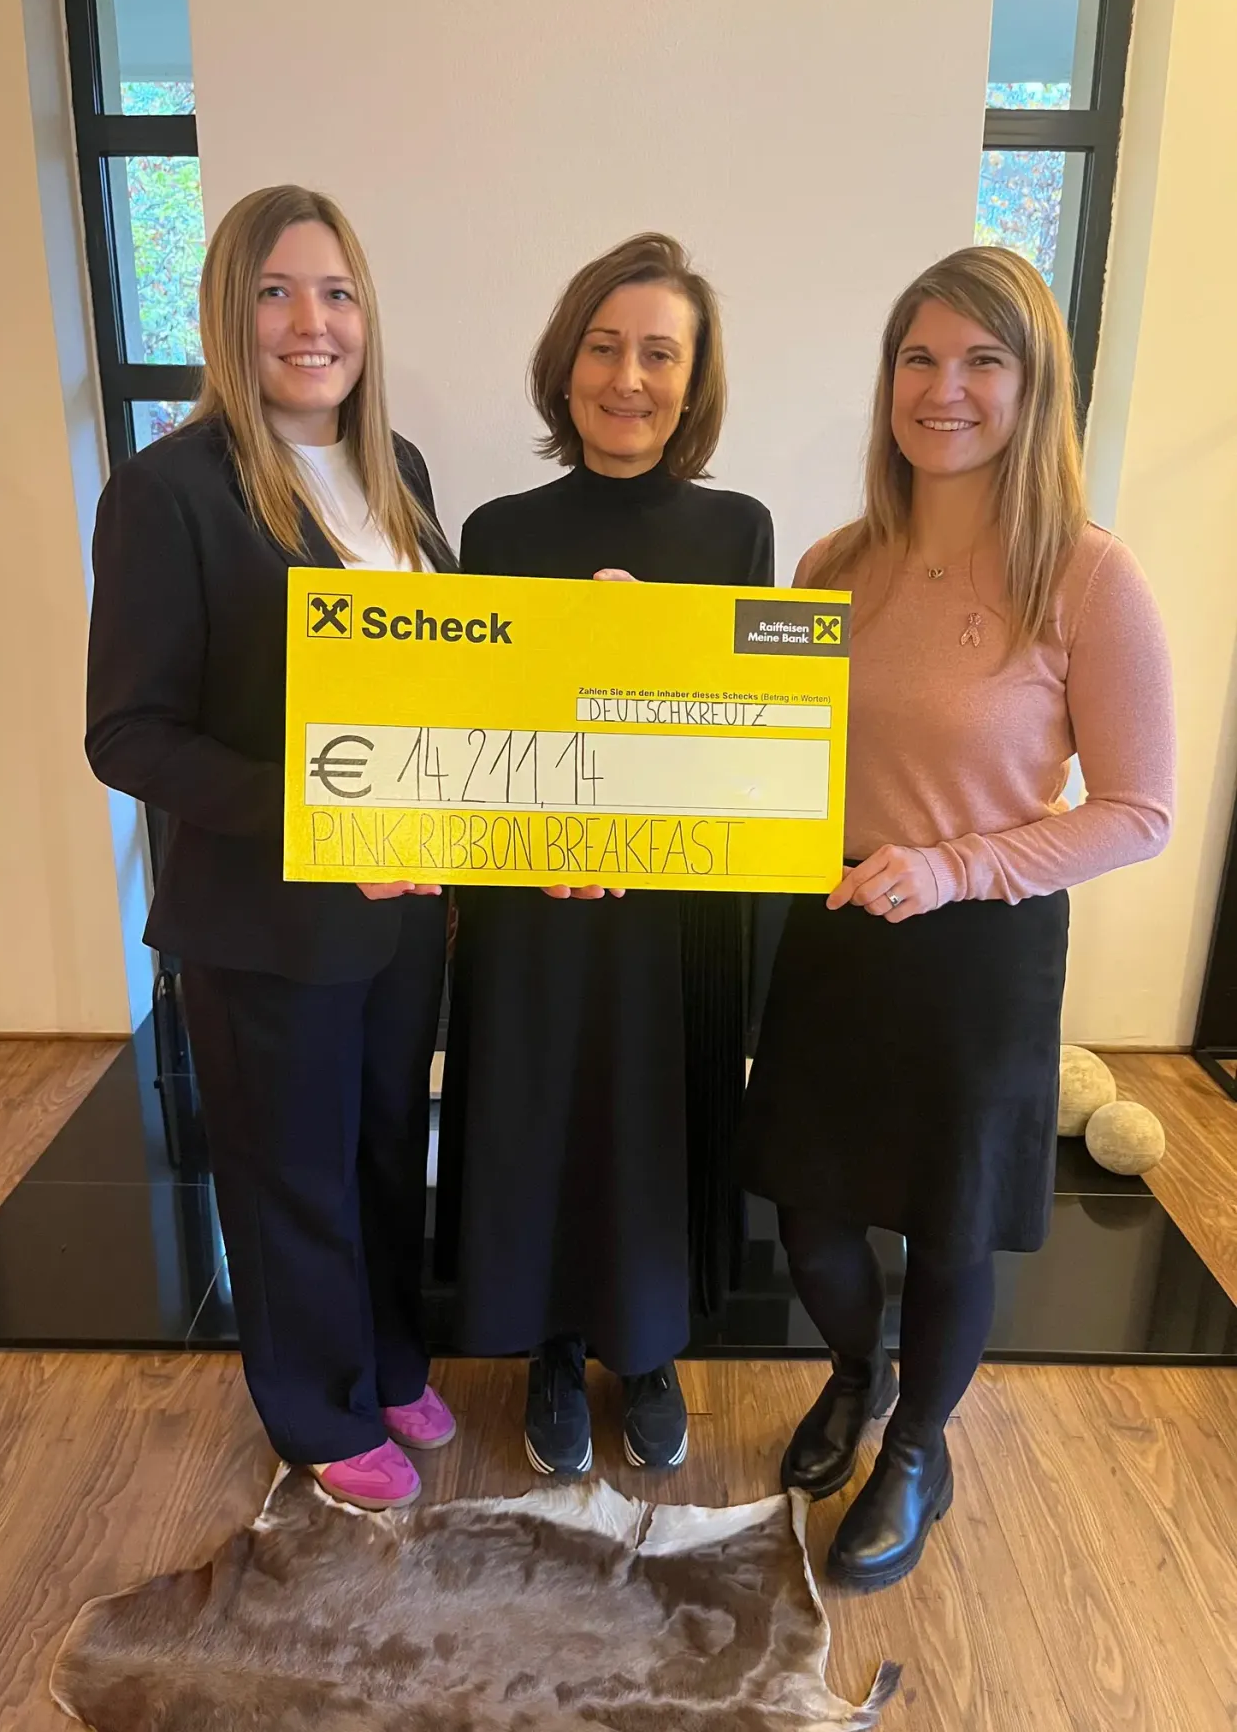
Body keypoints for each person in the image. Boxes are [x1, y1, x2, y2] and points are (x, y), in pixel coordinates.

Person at [737, 245, 1174, 1589]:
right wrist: (635, 637)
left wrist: (959, 866)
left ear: (1033, 388)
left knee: (948, 1227)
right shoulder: (834, 562)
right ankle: (856, 1372)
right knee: (810, 1219)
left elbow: (1139, 811)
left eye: (983, 361)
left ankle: (917, 1450)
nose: (945, 388)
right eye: (918, 358)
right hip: (832, 930)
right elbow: (746, 727)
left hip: (979, 947)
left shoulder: (1086, 576)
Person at [86, 185, 459, 1512]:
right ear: (226, 316)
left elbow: (447, 676)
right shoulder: (168, 491)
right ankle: (315, 1408)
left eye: (337, 293)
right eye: (276, 292)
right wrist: (315, 823)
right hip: (263, 915)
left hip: (401, 908)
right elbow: (128, 735)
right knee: (288, 1171)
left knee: (382, 1147)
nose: (313, 322)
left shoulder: (397, 470)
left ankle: (387, 1357)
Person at [438, 233, 774, 1478]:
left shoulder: (739, 530)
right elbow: (474, 729)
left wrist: (655, 645)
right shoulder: (495, 530)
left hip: (672, 905)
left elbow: (751, 731)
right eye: (604, 346)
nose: (628, 377)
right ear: (564, 363)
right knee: (539, 1108)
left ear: (694, 381)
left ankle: (645, 1349)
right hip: (533, 896)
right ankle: (548, 1343)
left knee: (653, 1116)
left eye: (660, 353)